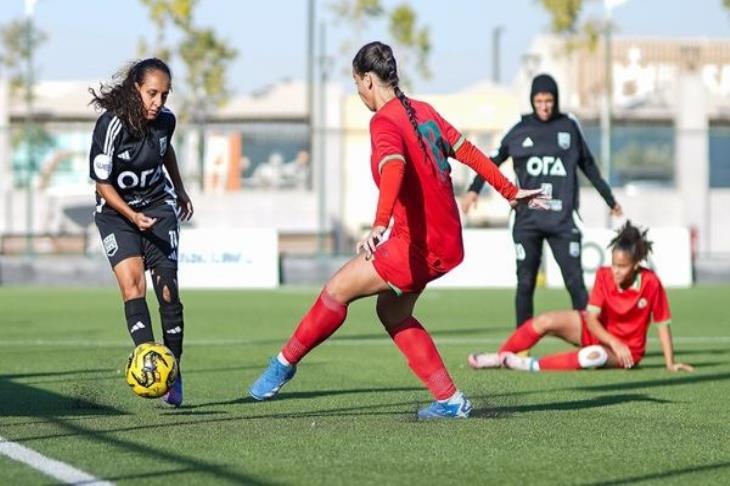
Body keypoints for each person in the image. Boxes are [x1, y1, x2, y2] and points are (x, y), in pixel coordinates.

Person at [247, 41, 546, 419]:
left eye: (357, 84)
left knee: (337, 290)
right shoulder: (424, 111)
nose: (358, 93)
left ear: (368, 80)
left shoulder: (384, 120)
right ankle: (450, 400)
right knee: (393, 312)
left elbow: (394, 168)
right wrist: (509, 191)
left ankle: (283, 363)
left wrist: (379, 224)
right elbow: (468, 151)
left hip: (415, 245)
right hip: (448, 243)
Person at [461, 74, 623, 331]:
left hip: (562, 220)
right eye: (539, 100)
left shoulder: (569, 126)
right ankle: (521, 347)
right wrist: (473, 190)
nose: (544, 106)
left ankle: (592, 340)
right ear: (532, 101)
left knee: (575, 284)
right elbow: (491, 162)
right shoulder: (519, 129)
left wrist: (609, 198)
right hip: (527, 220)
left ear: (556, 100)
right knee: (525, 283)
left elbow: (588, 165)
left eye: (549, 100)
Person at [89, 58, 193, 406]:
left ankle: (173, 372)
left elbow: (166, 153)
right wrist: (132, 216)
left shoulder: (166, 122)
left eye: (164, 95)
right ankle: (149, 365)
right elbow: (102, 185)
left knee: (167, 293)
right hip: (117, 214)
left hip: (158, 209)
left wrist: (179, 189)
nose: (158, 102)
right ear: (136, 87)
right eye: (152, 93)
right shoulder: (111, 125)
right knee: (133, 284)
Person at [468, 221, 694, 373]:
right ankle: (499, 357)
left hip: (627, 351)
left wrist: (670, 363)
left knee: (590, 356)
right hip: (597, 332)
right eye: (614, 264)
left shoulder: (651, 282)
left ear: (636, 265)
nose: (616, 270)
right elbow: (592, 319)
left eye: (622, 266)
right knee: (544, 321)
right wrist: (612, 339)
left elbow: (663, 325)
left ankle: (530, 364)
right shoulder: (604, 275)